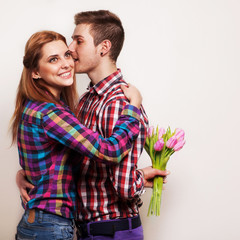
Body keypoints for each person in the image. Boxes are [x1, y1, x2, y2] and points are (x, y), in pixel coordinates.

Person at [17, 10, 170, 240]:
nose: (71, 49)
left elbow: (123, 184)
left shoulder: (121, 102)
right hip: (73, 226)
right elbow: (91, 155)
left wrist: (136, 177)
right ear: (36, 72)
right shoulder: (78, 103)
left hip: (111, 228)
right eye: (54, 58)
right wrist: (27, 174)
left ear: (104, 47)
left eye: (78, 41)